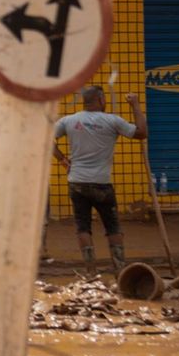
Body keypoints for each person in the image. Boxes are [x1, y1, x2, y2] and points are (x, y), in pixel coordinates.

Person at [53, 87, 148, 275]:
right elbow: (141, 132)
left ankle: (90, 272)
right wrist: (135, 105)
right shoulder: (113, 121)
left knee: (83, 226)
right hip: (101, 184)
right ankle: (120, 271)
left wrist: (63, 160)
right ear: (101, 99)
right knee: (112, 226)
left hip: (77, 182)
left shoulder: (69, 120)